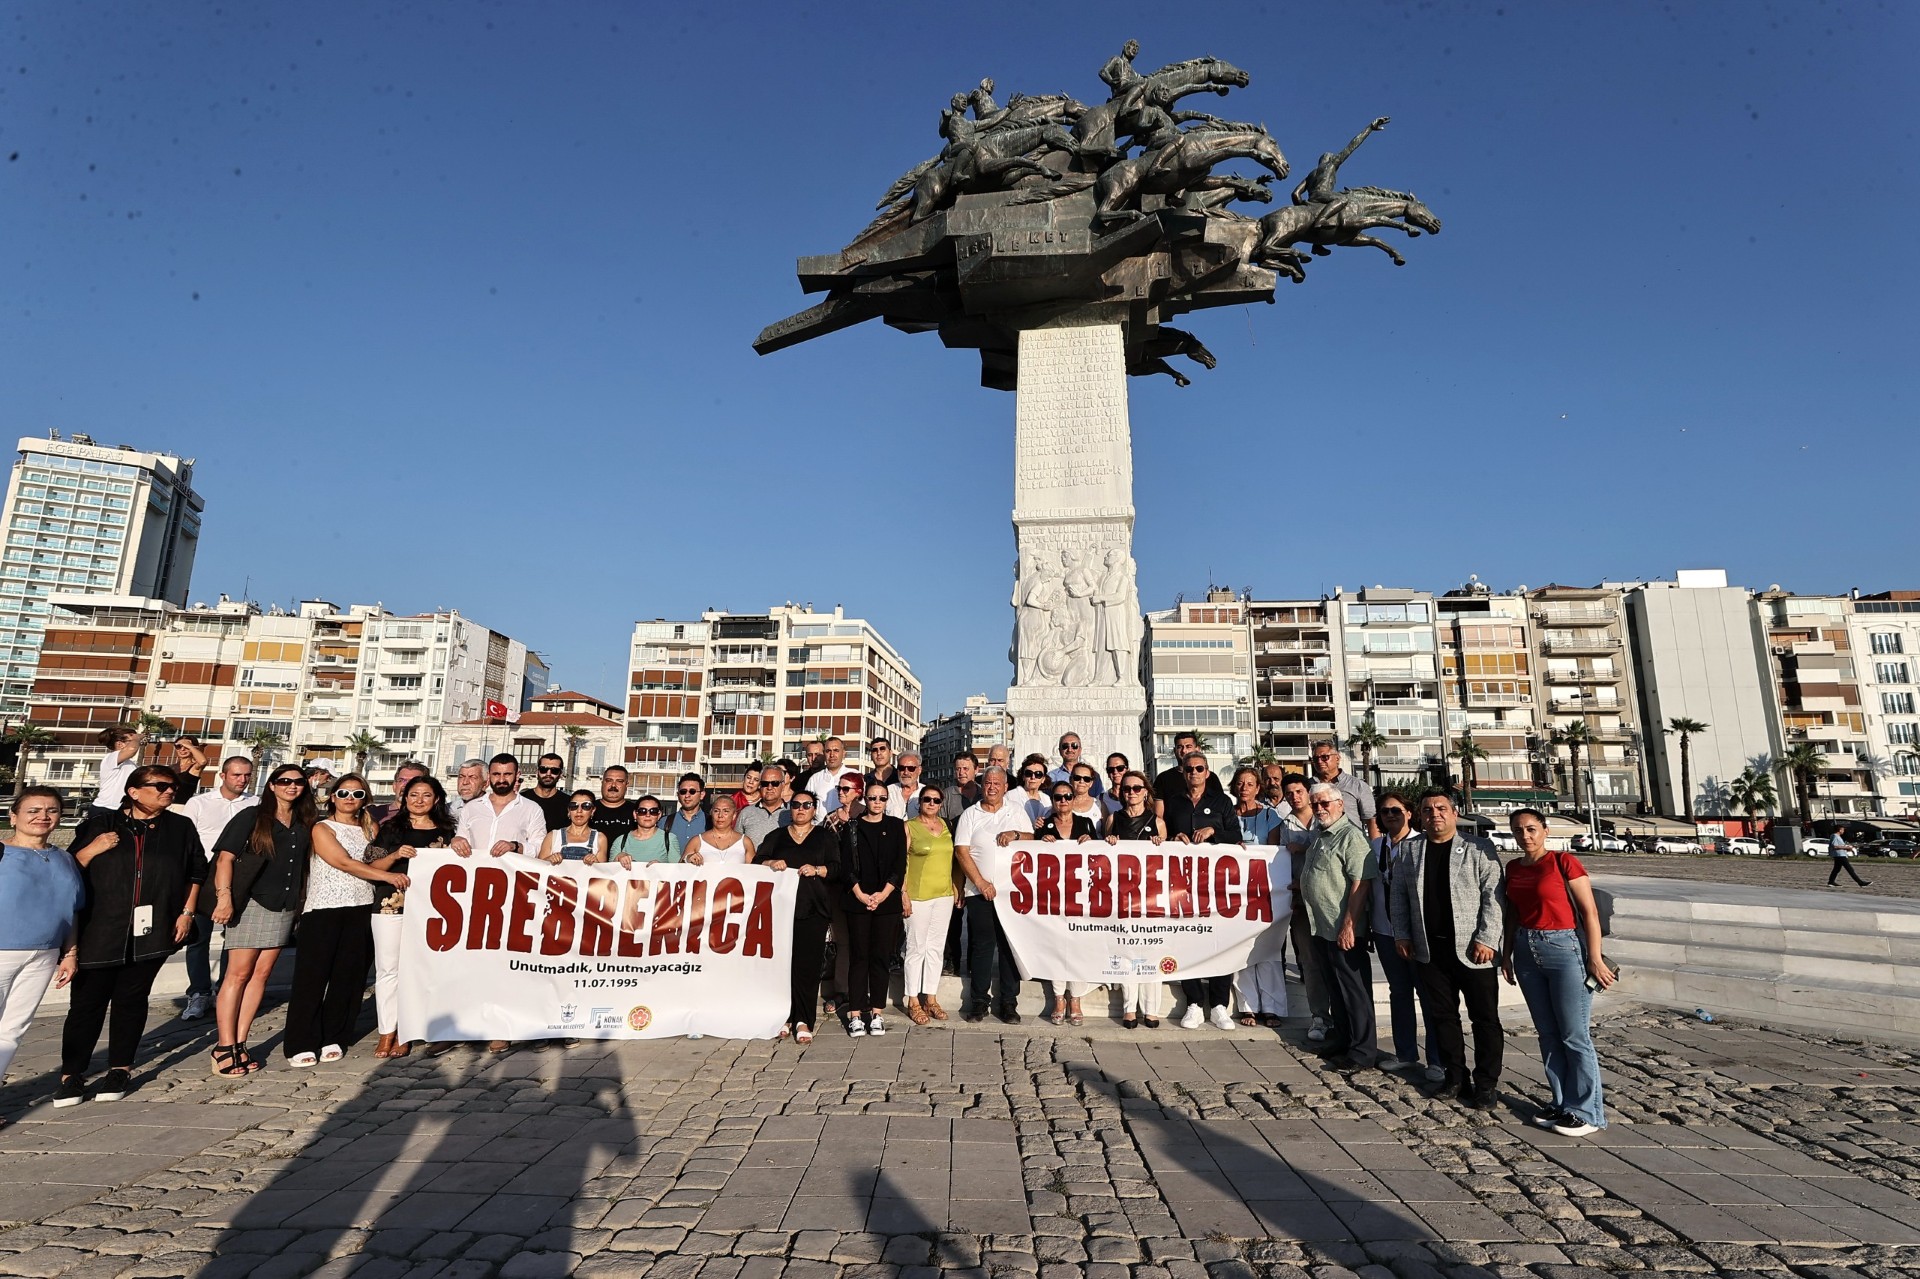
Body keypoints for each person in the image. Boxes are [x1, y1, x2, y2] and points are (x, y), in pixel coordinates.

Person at [56, 765, 206, 1106]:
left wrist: (186, 912)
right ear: (134, 791)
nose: (170, 792)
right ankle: (71, 1075)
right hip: (100, 929)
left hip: (152, 930)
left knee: (132, 1001)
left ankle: (119, 1069)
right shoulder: (101, 824)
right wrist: (93, 849)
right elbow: (69, 870)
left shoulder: (180, 827)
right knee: (86, 1005)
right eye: (161, 786)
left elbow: (196, 871)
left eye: (173, 787)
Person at [1501, 808, 1613, 1136]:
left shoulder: (1563, 862)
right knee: (1547, 1033)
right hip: (1525, 950)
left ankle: (1588, 1112)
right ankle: (1562, 1102)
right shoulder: (1513, 868)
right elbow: (1512, 914)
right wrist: (1506, 954)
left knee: (1574, 1035)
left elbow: (1589, 912)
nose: (1526, 836)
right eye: (1519, 830)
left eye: (1532, 829)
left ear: (1546, 831)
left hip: (1565, 950)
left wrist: (1594, 958)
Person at [1389, 789, 1504, 1108]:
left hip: (1474, 950)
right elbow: (1398, 894)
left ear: (1454, 813)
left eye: (1441, 808)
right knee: (1442, 1017)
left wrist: (1487, 938)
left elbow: (1493, 897)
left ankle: (1486, 1083)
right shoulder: (1410, 850)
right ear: (1420, 816)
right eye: (1427, 809)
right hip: (1430, 951)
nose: (1434, 814)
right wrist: (1402, 933)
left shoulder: (1479, 848)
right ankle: (1455, 1076)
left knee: (1485, 1019)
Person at [284, 776, 408, 1066]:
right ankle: (301, 1041)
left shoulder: (372, 828)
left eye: (357, 793)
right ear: (332, 797)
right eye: (343, 792)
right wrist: (388, 876)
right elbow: (342, 861)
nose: (349, 797)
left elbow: (380, 859)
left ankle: (334, 1036)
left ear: (365, 798)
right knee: (312, 978)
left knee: (348, 979)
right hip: (324, 908)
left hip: (362, 907)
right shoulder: (322, 828)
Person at [205, 764, 313, 1078]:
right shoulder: (252, 816)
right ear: (271, 785)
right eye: (284, 781)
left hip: (284, 905)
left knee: (261, 976)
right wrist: (224, 898)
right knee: (237, 975)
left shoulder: (303, 821)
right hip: (252, 902)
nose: (291, 786)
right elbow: (225, 857)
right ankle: (223, 1046)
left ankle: (240, 1042)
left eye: (298, 782)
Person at [0, 787, 84, 1122]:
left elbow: (73, 910)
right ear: (13, 816)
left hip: (45, 953)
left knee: (14, 1028)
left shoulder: (64, 858)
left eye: (51, 810)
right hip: (2, 950)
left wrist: (71, 952)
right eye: (33, 810)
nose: (42, 816)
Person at [367, 774, 455, 1059]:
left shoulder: (447, 832)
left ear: (437, 799)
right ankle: (386, 1033)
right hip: (390, 906)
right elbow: (372, 864)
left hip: (432, 910)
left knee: (421, 971)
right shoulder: (392, 828)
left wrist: (461, 846)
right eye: (413, 794)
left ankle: (407, 1032)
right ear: (404, 798)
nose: (419, 800)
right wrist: (394, 856)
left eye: (426, 795)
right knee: (388, 970)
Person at [1297, 784, 1377, 1071]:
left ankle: (1363, 1051)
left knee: (1354, 991)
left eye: (1325, 803)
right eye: (1315, 804)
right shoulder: (1320, 836)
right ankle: (1343, 1040)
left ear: (1340, 804)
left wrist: (1349, 925)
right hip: (1322, 926)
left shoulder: (1351, 836)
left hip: (1343, 928)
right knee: (1336, 989)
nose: (1320, 808)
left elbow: (1361, 882)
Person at [1164, 754, 1243, 1030]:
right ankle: (1195, 1003)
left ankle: (1219, 1004)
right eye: (1189, 769)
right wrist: (1174, 838)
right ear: (1182, 772)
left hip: (1216, 884)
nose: (1194, 773)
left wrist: (1214, 831)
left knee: (1220, 941)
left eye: (1199, 769)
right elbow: (1163, 837)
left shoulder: (1221, 801)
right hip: (1183, 884)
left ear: (1207, 772)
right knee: (1187, 941)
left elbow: (1236, 836)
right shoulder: (1174, 802)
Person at [756, 788, 841, 1043]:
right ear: (790, 808)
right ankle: (786, 1015)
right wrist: (771, 863)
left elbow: (837, 868)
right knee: (783, 966)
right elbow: (757, 861)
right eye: (796, 805)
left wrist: (818, 869)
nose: (801, 809)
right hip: (782, 910)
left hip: (814, 909)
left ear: (814, 810)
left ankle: (804, 1018)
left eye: (806, 805)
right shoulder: (777, 836)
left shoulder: (825, 837)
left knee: (808, 966)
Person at [178, 756, 259, 1022]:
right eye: (237, 775)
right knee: (198, 938)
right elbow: (185, 840)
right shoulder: (199, 803)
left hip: (241, 880)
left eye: (247, 775)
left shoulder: (256, 804)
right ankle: (199, 992)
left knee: (234, 941)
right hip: (204, 877)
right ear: (223, 776)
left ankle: (226, 990)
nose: (242, 780)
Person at [954, 765, 1034, 1023]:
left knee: (1010, 947)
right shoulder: (970, 814)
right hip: (980, 892)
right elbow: (962, 852)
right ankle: (979, 1001)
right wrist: (980, 882)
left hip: (1011, 893)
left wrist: (1016, 834)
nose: (991, 787)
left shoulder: (1016, 812)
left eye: (997, 783)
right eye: (987, 783)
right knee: (981, 946)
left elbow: (1032, 839)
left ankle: (1009, 1002)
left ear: (1005, 787)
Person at [1369, 792, 1436, 1077]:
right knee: (1399, 993)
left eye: (1396, 811)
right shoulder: (1375, 846)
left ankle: (1437, 1059)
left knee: (1430, 995)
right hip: (1385, 931)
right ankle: (1406, 1053)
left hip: (1418, 933)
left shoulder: (1423, 845)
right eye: (1385, 812)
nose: (1390, 816)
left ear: (1409, 813)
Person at [841, 783, 907, 1036]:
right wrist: (860, 894)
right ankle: (856, 1012)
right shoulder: (852, 827)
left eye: (882, 798)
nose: (877, 802)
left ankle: (877, 1011)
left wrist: (884, 893)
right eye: (872, 798)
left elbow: (899, 863)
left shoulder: (895, 826)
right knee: (859, 957)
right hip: (858, 900)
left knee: (881, 957)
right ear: (864, 799)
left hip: (886, 901)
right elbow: (846, 865)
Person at [1104, 770, 1167, 1028]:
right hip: (1123, 896)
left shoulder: (1158, 821)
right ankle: (1129, 1009)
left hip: (1151, 896)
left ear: (1146, 791)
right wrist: (1109, 841)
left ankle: (1151, 1009)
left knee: (1152, 949)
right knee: (1126, 948)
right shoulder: (1112, 819)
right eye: (1127, 788)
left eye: (1137, 788)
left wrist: (1159, 843)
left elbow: (1166, 857)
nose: (1131, 793)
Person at [1229, 765, 1287, 1027]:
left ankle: (1271, 1006)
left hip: (1265, 890)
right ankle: (1248, 1006)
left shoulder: (1270, 816)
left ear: (1258, 787)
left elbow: (1273, 852)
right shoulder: (1227, 815)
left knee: (1268, 948)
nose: (1244, 788)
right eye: (1240, 783)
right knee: (1240, 949)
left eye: (1250, 784)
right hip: (1235, 891)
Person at [1279, 773, 1334, 1042]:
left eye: (1298, 791)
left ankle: (1344, 1016)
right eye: (1289, 793)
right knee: (1310, 964)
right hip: (1301, 903)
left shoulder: (1327, 816)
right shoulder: (1283, 824)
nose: (1294, 796)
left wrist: (1304, 845)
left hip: (1330, 902)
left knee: (1336, 962)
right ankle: (1320, 1017)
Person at [901, 785, 957, 1026]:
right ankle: (913, 999)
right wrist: (902, 893)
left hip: (943, 895)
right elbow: (900, 862)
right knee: (916, 948)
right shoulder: (909, 826)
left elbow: (954, 859)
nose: (931, 803)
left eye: (936, 800)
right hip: (917, 895)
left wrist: (956, 887)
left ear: (941, 803)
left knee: (936, 948)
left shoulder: (947, 826)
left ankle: (930, 997)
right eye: (927, 799)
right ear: (919, 802)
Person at [1311, 741, 1379, 837]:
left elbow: (1371, 819)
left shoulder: (1357, 785)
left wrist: (1375, 848)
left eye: (1324, 757)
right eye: (1315, 758)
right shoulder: (1308, 787)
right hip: (1318, 844)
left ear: (1337, 758)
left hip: (1351, 842)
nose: (1319, 761)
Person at [86, 726, 144, 823]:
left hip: (121, 809)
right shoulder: (111, 758)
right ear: (120, 744)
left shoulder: (130, 763)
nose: (135, 741)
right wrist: (137, 738)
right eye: (130, 740)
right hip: (105, 809)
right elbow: (132, 749)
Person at [538, 790, 608, 864]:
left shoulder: (600, 838)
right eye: (574, 806)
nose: (579, 810)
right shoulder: (552, 836)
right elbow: (539, 866)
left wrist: (596, 863)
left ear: (593, 810)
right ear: (569, 810)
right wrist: (549, 859)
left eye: (586, 806)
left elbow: (601, 872)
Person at [685, 795, 755, 866]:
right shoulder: (697, 841)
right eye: (716, 811)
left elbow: (752, 872)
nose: (720, 815)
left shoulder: (745, 842)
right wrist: (688, 858)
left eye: (726, 811)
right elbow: (680, 869)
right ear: (711, 813)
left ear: (734, 815)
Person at [605, 796, 677, 865]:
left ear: (659, 815)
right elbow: (611, 872)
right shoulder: (620, 841)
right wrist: (618, 858)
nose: (648, 815)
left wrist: (661, 867)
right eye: (642, 811)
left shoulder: (669, 839)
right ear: (635, 814)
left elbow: (677, 871)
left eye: (653, 811)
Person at [737, 763, 790, 846]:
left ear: (783, 785)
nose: (769, 787)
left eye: (775, 783)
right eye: (765, 783)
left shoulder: (793, 812)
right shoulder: (746, 813)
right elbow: (736, 845)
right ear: (760, 785)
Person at [806, 738, 861, 815]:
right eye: (828, 751)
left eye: (836, 750)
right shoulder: (815, 779)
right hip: (819, 825)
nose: (832, 755)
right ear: (824, 754)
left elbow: (863, 805)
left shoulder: (855, 775)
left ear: (844, 753)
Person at [587, 765, 640, 845]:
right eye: (609, 780)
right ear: (602, 783)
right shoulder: (586, 809)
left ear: (626, 785)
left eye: (619, 781)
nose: (613, 785)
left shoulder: (637, 812)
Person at [521, 753, 572, 831]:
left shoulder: (568, 803)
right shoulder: (522, 799)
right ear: (537, 772)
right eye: (543, 769)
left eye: (554, 770)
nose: (548, 774)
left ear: (560, 774)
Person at [372, 760, 429, 826]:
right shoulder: (373, 814)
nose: (406, 785)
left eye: (413, 781)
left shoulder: (437, 818)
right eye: (401, 780)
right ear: (394, 786)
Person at [1050, 733, 1106, 800]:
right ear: (1059, 751)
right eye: (1065, 746)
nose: (1070, 749)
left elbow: (1100, 800)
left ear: (1080, 750)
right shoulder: (1050, 777)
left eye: (1074, 746)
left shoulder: (1094, 776)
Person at [667, 773, 711, 847]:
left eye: (692, 791)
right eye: (683, 792)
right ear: (678, 795)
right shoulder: (665, 823)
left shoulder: (711, 822)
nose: (687, 795)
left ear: (702, 794)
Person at [940, 753, 982, 825]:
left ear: (976, 770)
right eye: (958, 769)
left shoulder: (984, 793)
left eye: (965, 769)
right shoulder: (946, 795)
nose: (961, 772)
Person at [1062, 763, 1104, 828]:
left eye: (1086, 779)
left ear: (1091, 783)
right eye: (1077, 778)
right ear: (1070, 780)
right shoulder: (1061, 803)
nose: (1081, 781)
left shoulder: (1100, 805)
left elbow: (1106, 833)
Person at [1015, 754, 1053, 825]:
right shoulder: (1011, 796)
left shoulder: (1047, 799)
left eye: (1038, 774)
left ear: (1043, 779)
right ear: (1023, 776)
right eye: (1028, 773)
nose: (1033, 777)